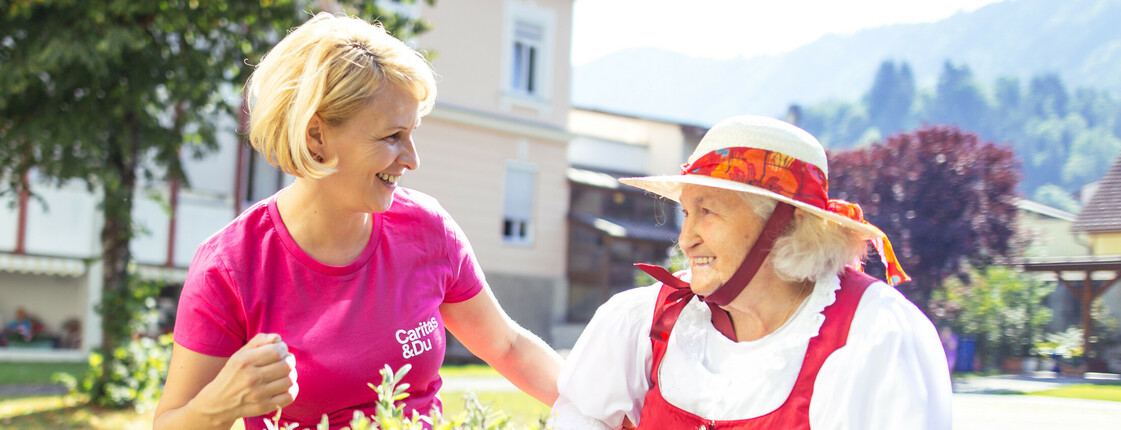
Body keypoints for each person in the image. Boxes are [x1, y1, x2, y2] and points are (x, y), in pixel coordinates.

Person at [153, 13, 561, 430]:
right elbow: (170, 422)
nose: (412, 159)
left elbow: (508, 347)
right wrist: (221, 404)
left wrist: (614, 410)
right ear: (317, 138)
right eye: (391, 137)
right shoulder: (231, 267)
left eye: (412, 132)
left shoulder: (427, 229)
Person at [551, 115, 952, 429]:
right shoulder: (645, 322)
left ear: (784, 223)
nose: (685, 240)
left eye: (707, 212)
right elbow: (579, 417)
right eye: (687, 213)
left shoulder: (872, 337)